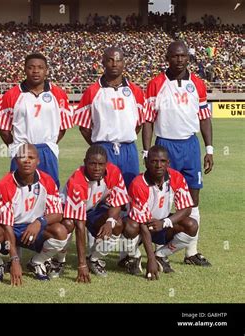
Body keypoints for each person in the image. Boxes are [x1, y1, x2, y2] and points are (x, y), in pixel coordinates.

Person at [143, 41, 213, 266]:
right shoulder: (156, 84)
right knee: (159, 197)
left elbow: (204, 118)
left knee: (193, 198)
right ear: (167, 58)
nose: (179, 60)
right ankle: (141, 250)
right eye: (174, 56)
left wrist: (209, 149)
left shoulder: (198, 84)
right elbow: (148, 120)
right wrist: (146, 150)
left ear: (188, 58)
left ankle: (190, 252)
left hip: (190, 146)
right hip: (166, 146)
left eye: (183, 56)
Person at [0, 144, 68, 284]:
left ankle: (37, 262)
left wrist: (39, 222)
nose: (27, 160)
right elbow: (7, 225)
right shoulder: (4, 184)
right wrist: (14, 260)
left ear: (38, 161)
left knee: (60, 231)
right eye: (22, 157)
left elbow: (57, 214)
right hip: (9, 228)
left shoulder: (48, 181)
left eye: (31, 157)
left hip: (33, 228)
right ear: (16, 161)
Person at [0, 53, 73, 187]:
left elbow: (62, 128)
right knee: (18, 192)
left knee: (50, 191)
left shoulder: (58, 94)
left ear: (46, 70)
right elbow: (4, 130)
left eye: (40, 67)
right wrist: (17, 148)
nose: (35, 71)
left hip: (47, 150)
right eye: (31, 67)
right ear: (25, 69)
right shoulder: (11, 95)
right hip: (22, 150)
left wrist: (49, 145)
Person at [74, 47, 145, 188]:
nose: (114, 64)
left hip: (128, 148)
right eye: (110, 60)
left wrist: (124, 136)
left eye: (118, 60)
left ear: (123, 63)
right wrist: (99, 146)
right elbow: (83, 127)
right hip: (104, 148)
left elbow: (139, 123)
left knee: (130, 190)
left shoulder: (135, 91)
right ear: (103, 62)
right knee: (103, 191)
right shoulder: (92, 91)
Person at [123, 146, 198, 279]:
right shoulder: (138, 183)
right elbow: (143, 224)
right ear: (146, 162)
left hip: (161, 224)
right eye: (154, 161)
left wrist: (165, 222)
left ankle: (161, 255)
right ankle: (133, 256)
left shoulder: (176, 177)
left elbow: (187, 208)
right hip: (141, 227)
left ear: (168, 163)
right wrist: (149, 260)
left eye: (163, 161)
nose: (159, 165)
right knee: (130, 227)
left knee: (191, 225)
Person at [60, 145, 129, 281]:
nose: (97, 168)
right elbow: (80, 225)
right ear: (85, 162)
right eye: (92, 164)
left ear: (106, 164)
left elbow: (118, 202)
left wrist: (109, 222)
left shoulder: (114, 172)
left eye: (101, 164)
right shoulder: (77, 181)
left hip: (93, 209)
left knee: (117, 224)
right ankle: (58, 260)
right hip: (67, 210)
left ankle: (94, 259)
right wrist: (81, 265)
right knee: (67, 225)